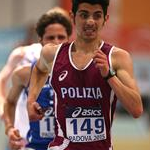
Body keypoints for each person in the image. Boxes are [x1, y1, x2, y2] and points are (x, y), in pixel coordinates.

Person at [27, 0, 143, 150]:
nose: (90, 21)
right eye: (84, 15)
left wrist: (109, 76)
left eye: (97, 15)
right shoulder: (52, 54)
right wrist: (30, 100)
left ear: (105, 19)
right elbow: (39, 70)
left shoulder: (117, 57)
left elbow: (136, 109)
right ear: (73, 17)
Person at [3, 7, 72, 150]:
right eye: (50, 38)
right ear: (40, 40)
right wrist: (10, 128)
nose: (56, 42)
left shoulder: (81, 72)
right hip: (35, 146)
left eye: (61, 37)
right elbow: (9, 102)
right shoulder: (24, 73)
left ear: (69, 39)